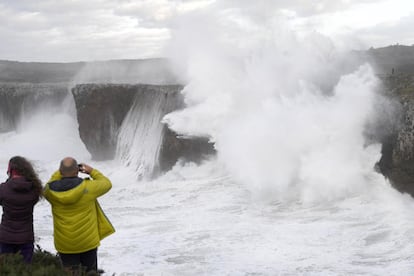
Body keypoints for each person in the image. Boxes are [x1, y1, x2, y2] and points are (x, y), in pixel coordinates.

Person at [44, 157, 115, 273]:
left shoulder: (49, 191)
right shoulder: (88, 187)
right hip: (88, 242)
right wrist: (92, 171)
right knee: (89, 273)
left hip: (65, 244)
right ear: (77, 171)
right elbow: (107, 183)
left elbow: (51, 181)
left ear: (61, 172)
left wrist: (62, 171)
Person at [0, 156, 42, 263]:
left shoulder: (3, 188)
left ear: (11, 170)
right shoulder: (35, 189)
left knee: (6, 269)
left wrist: (9, 181)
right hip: (26, 238)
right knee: (24, 270)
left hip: (6, 237)